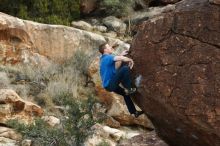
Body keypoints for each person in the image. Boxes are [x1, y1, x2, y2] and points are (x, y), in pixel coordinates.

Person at [99, 42, 144, 118]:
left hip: (109, 86)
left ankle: (134, 112)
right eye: (108, 47)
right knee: (125, 68)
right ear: (105, 50)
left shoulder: (104, 59)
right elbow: (120, 59)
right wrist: (129, 60)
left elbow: (116, 66)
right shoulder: (107, 57)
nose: (110, 47)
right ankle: (129, 88)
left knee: (125, 94)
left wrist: (121, 55)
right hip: (110, 84)